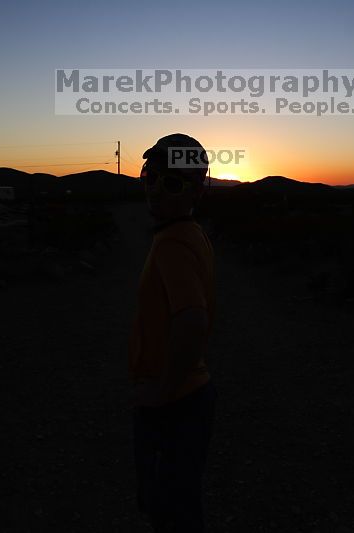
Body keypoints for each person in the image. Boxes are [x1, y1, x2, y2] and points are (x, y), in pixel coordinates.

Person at [128, 133, 218, 533]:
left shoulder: (172, 244)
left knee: (167, 509)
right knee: (180, 504)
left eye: (172, 183)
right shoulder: (189, 233)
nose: (155, 190)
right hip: (189, 396)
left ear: (196, 191)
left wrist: (162, 393)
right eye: (150, 176)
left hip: (174, 402)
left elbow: (193, 320)